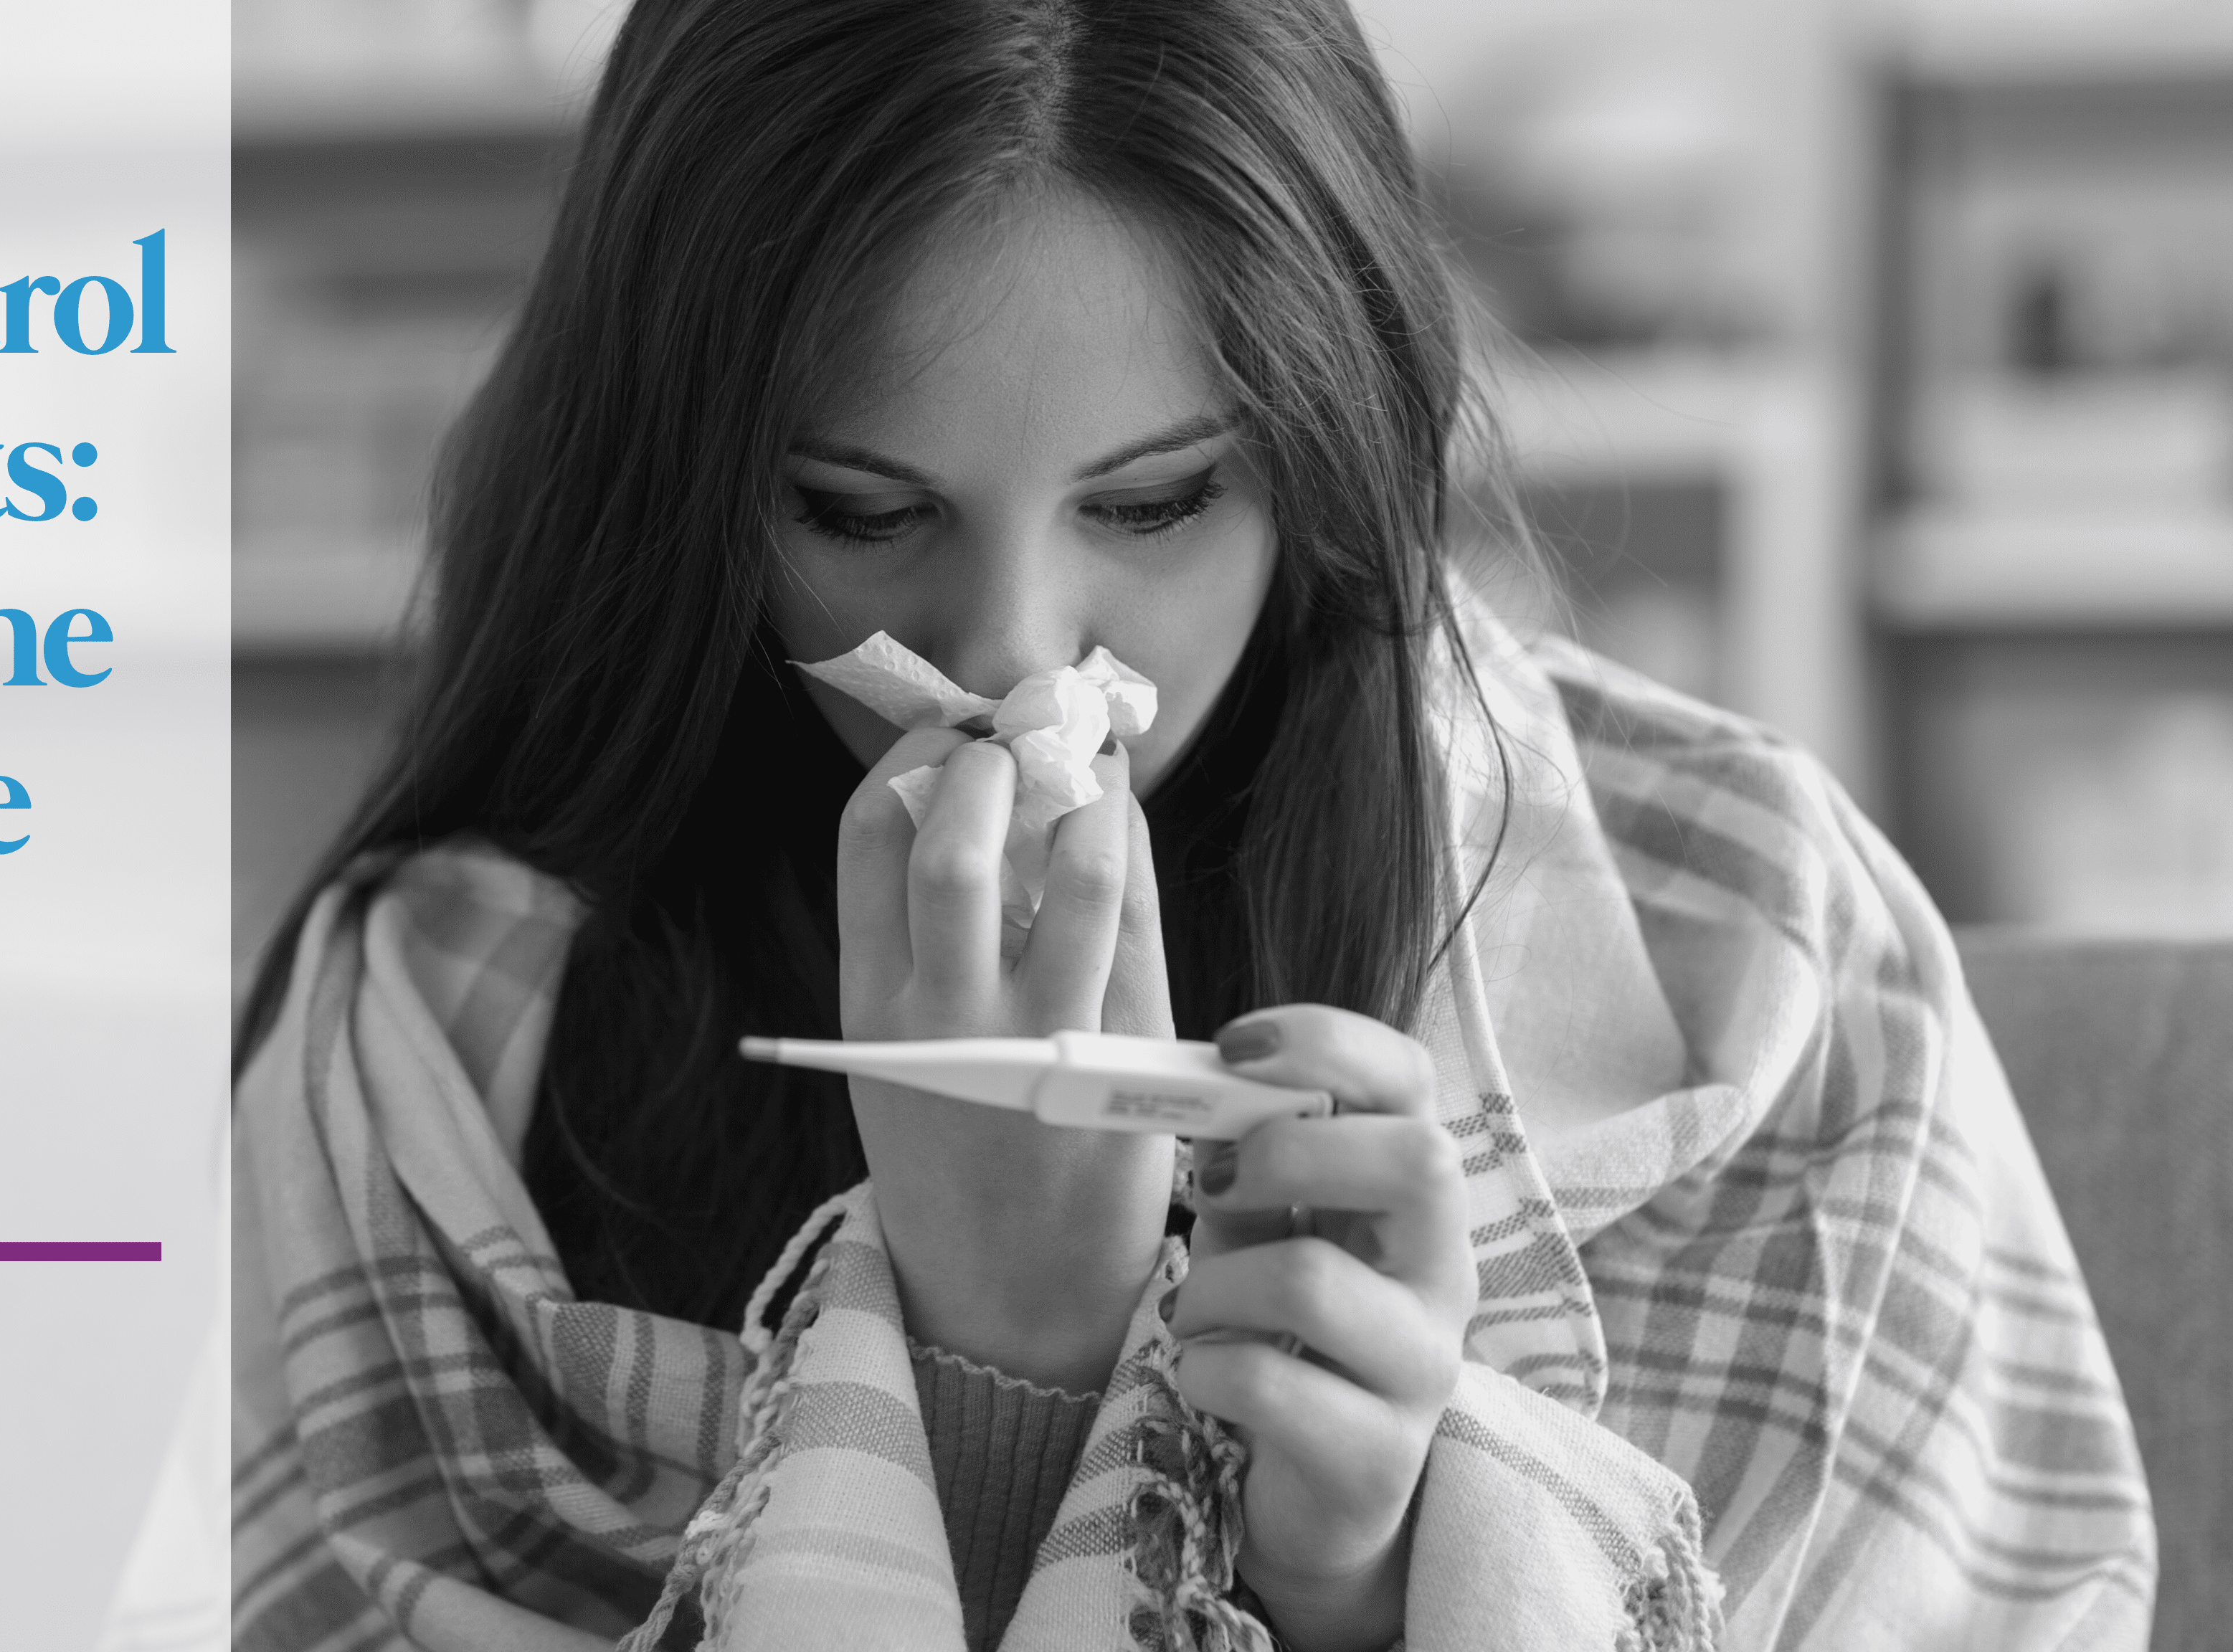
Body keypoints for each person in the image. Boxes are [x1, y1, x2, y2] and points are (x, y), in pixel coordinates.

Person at [227, 2, 2155, 1648]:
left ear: (1329, 450)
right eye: (855, 511)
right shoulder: (432, 1045)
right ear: (688, 475)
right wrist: (1000, 1369)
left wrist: (1396, 1565)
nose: (1013, 658)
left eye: (1150, 505)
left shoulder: (1754, 951)